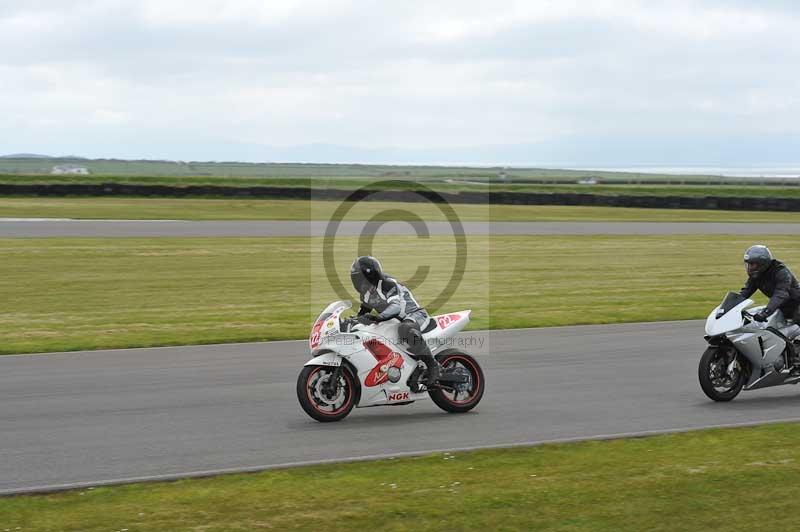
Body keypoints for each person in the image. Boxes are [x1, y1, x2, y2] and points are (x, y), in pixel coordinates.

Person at [349, 256, 440, 385]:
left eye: (360, 278)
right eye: (356, 279)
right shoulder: (366, 294)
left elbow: (395, 307)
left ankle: (433, 365)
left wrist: (378, 318)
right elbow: (363, 313)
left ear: (370, 276)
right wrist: (350, 322)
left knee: (406, 329)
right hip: (394, 320)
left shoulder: (386, 283)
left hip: (414, 315)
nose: (358, 282)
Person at [740, 245, 800, 368]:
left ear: (763, 263)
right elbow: (744, 293)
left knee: (789, 331)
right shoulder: (756, 276)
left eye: (753, 264)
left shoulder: (781, 272)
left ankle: (795, 359)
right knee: (770, 330)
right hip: (782, 307)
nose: (750, 267)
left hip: (796, 304)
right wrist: (726, 308)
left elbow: (781, 294)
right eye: (748, 264)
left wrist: (766, 312)